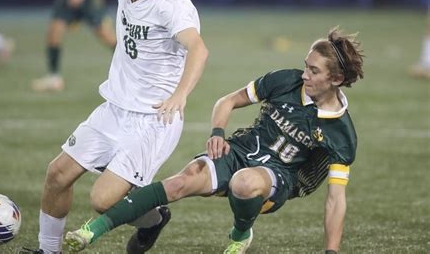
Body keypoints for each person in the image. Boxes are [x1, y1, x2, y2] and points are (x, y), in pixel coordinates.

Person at [65, 27, 364, 254]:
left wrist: (331, 251)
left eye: (314, 71)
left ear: (335, 80)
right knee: (181, 181)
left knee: (244, 183)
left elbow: (336, 200)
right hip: (240, 150)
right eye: (306, 65)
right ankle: (94, 229)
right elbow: (226, 101)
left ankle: (240, 234)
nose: (305, 74)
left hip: (279, 177)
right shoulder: (286, 80)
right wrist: (218, 133)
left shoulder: (342, 133)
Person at [20, 0, 208, 253]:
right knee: (57, 174)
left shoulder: (171, 4)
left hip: (154, 120)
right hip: (114, 109)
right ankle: (47, 251)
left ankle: (153, 219)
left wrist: (180, 94)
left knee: (103, 201)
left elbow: (198, 49)